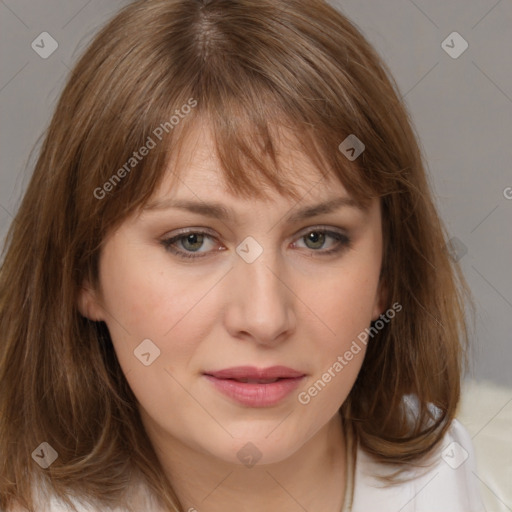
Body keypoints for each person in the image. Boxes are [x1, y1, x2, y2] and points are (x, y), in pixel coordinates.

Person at [0, 0, 485, 511]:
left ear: (387, 271)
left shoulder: (439, 472)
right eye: (192, 241)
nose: (264, 317)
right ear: (84, 272)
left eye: (318, 239)